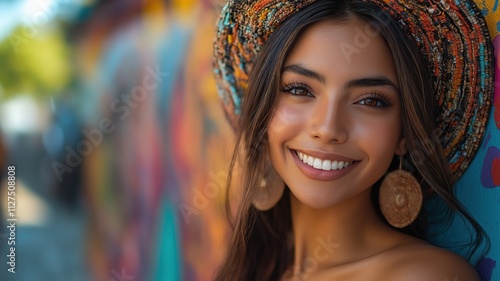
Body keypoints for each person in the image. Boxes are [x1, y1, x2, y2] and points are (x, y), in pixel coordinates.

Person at [212, 0, 494, 280]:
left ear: (404, 133)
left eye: (370, 101)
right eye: (299, 89)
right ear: (264, 112)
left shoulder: (424, 276)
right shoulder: (250, 270)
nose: (327, 127)